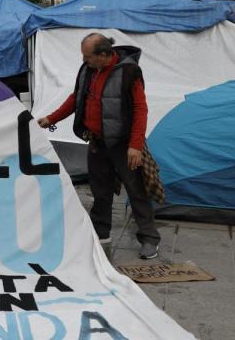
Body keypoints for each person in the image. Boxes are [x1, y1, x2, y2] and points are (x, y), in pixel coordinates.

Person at [36, 33, 161, 260]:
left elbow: (140, 110)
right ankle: (101, 234)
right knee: (100, 191)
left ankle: (149, 238)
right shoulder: (88, 70)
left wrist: (135, 146)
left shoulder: (129, 72)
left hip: (124, 146)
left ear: (104, 55)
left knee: (137, 191)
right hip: (96, 143)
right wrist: (51, 118)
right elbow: (76, 98)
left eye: (88, 56)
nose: (85, 61)